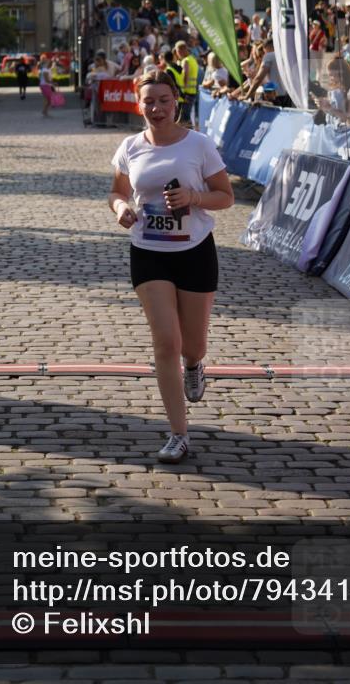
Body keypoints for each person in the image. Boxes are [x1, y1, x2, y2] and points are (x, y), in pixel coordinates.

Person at [108, 69, 234, 463]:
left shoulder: (199, 145)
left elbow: (226, 196)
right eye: (149, 101)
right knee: (166, 342)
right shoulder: (130, 147)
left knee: (192, 345)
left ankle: (194, 364)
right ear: (138, 104)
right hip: (148, 252)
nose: (157, 108)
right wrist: (121, 208)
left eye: (164, 100)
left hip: (195, 250)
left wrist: (194, 198)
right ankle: (178, 433)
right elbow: (117, 192)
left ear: (175, 101)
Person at [174, 40, 199, 126]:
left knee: (184, 118)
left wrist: (182, 92)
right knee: (186, 117)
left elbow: (185, 76)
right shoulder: (192, 59)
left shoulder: (186, 61)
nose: (177, 54)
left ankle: (190, 132)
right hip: (192, 91)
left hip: (186, 93)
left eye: (177, 51)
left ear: (182, 50)